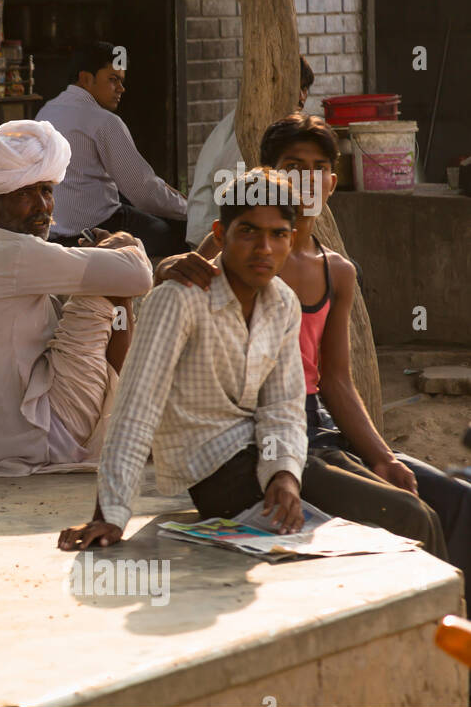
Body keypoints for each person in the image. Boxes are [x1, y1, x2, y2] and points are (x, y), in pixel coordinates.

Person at [58, 167, 446, 560]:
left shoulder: (282, 302)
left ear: (291, 239)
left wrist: (284, 475)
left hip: (268, 457)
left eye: (277, 234)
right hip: (218, 475)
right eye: (248, 232)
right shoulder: (180, 299)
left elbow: (283, 407)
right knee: (409, 518)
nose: (264, 248)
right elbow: (135, 410)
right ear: (221, 235)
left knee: (418, 510)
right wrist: (110, 513)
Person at [157, 114, 470, 579]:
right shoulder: (241, 250)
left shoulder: (336, 271)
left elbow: (336, 380)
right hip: (252, 435)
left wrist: (383, 456)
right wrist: (168, 267)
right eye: (291, 165)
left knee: (455, 499)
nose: (304, 179)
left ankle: (454, 628)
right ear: (267, 175)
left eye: (317, 167)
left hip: (317, 425)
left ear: (332, 181)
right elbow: (179, 281)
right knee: (405, 516)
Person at [0, 120, 152, 475]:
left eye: (46, 191)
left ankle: (130, 423)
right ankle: (132, 427)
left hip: (12, 440)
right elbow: (138, 276)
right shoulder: (15, 254)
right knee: (109, 289)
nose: (42, 206)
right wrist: (124, 244)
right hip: (40, 439)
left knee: (101, 282)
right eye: (25, 194)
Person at [38, 41, 189, 256]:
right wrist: (191, 209)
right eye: (113, 79)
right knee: (172, 234)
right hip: (97, 228)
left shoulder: (46, 111)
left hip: (55, 230)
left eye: (121, 81)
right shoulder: (103, 120)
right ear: (86, 79)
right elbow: (144, 192)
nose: (121, 88)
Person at [185, 56, 315, 246]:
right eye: (296, 87)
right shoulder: (254, 124)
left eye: (305, 89)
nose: (302, 97)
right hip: (216, 235)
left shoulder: (277, 122)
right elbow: (226, 184)